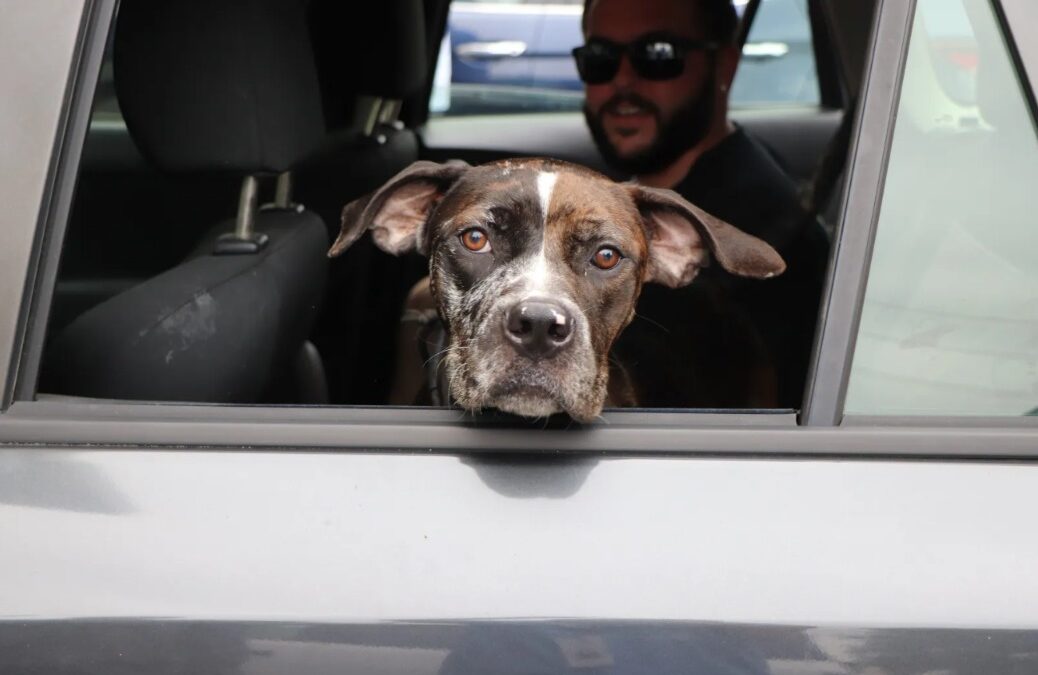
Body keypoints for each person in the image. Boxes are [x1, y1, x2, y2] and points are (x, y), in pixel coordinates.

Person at [577, 0, 830, 409]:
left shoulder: (746, 249)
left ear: (724, 67)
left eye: (658, 55)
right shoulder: (740, 169)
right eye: (599, 58)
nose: (622, 81)